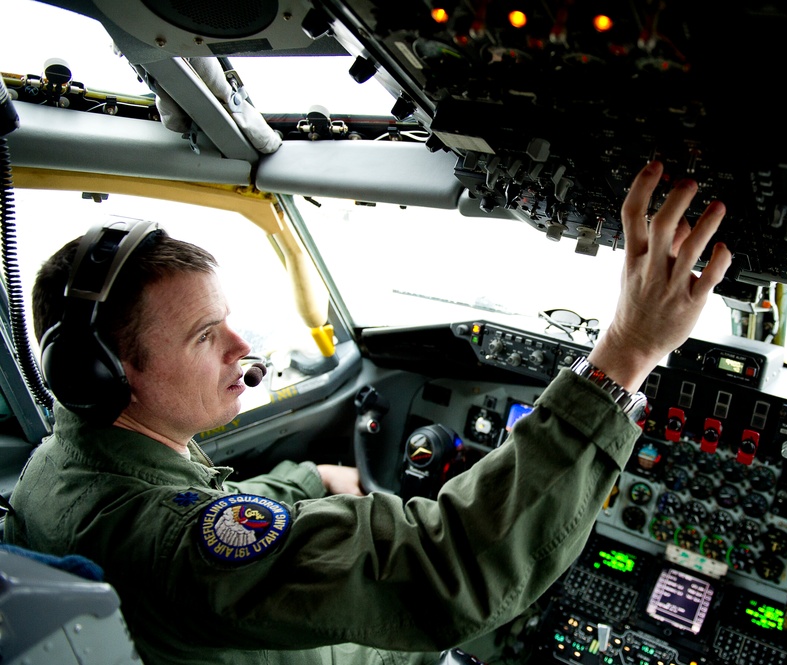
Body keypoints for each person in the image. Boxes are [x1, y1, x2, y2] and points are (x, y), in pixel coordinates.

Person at [3, 162, 731, 665]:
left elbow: (207, 518)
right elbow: (445, 565)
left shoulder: (56, 469)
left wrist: (309, 476)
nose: (240, 344)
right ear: (105, 373)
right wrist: (627, 352)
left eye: (227, 320)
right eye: (204, 335)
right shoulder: (170, 546)